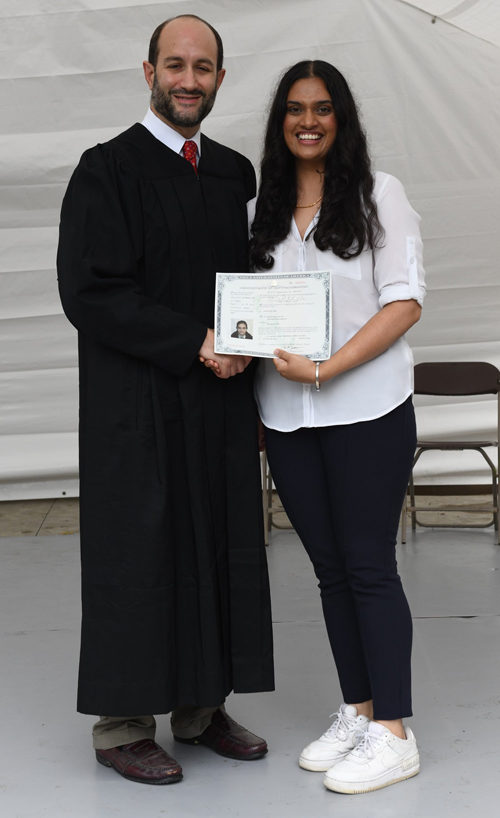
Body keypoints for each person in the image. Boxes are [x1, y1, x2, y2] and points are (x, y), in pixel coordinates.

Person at [57, 15, 274, 786]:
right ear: (147, 70)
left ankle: (200, 708)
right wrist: (192, 342)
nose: (189, 79)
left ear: (221, 77)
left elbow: (257, 284)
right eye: (175, 65)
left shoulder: (232, 173)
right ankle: (121, 726)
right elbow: (90, 292)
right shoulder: (106, 169)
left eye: (204, 67)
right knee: (141, 552)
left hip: (217, 401)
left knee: (215, 541)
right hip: (138, 404)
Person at [237, 59, 424, 794]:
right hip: (286, 418)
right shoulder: (262, 208)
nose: (307, 121)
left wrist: (326, 367)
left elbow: (403, 303)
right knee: (330, 572)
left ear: (340, 119)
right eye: (293, 109)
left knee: (370, 567)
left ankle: (395, 731)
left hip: (368, 409)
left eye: (321, 109)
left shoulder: (382, 196)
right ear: (279, 122)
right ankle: (358, 707)